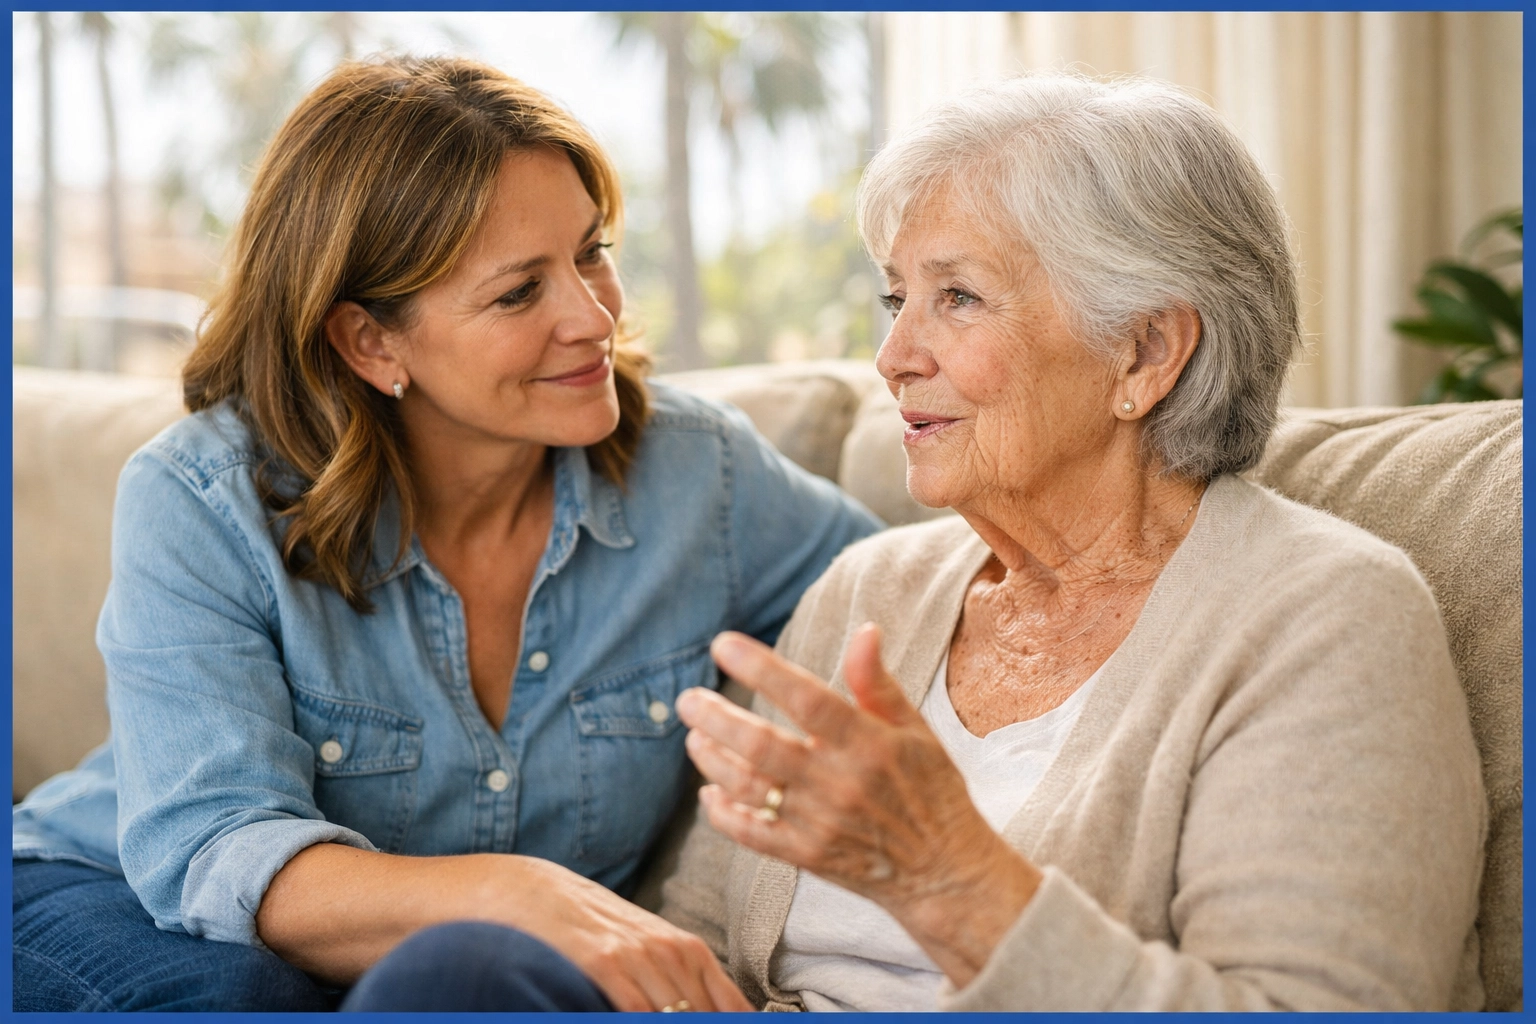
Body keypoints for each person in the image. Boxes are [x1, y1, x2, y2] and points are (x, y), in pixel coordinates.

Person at [12, 55, 882, 1013]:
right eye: (520, 292)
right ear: (371, 342)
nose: (593, 317)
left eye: (591, 252)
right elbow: (217, 850)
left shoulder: (698, 475)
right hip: (118, 903)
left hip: (437, 974)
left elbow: (902, 605)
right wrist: (516, 892)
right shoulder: (205, 497)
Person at [659, 72, 1487, 1011]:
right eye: (899, 300)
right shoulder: (867, 591)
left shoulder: (1328, 620)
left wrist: (945, 877)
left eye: (959, 297)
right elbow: (699, 946)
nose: (894, 357)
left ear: (1145, 352)